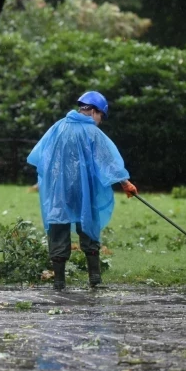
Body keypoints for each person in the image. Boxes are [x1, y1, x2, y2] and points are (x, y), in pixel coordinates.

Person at [26, 91, 137, 290]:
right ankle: (95, 280)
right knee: (88, 227)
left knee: (58, 227)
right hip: (84, 190)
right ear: (94, 111)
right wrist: (125, 183)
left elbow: (39, 156)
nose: (100, 121)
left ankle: (59, 282)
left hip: (58, 191)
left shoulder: (58, 127)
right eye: (101, 116)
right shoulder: (92, 132)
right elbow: (109, 161)